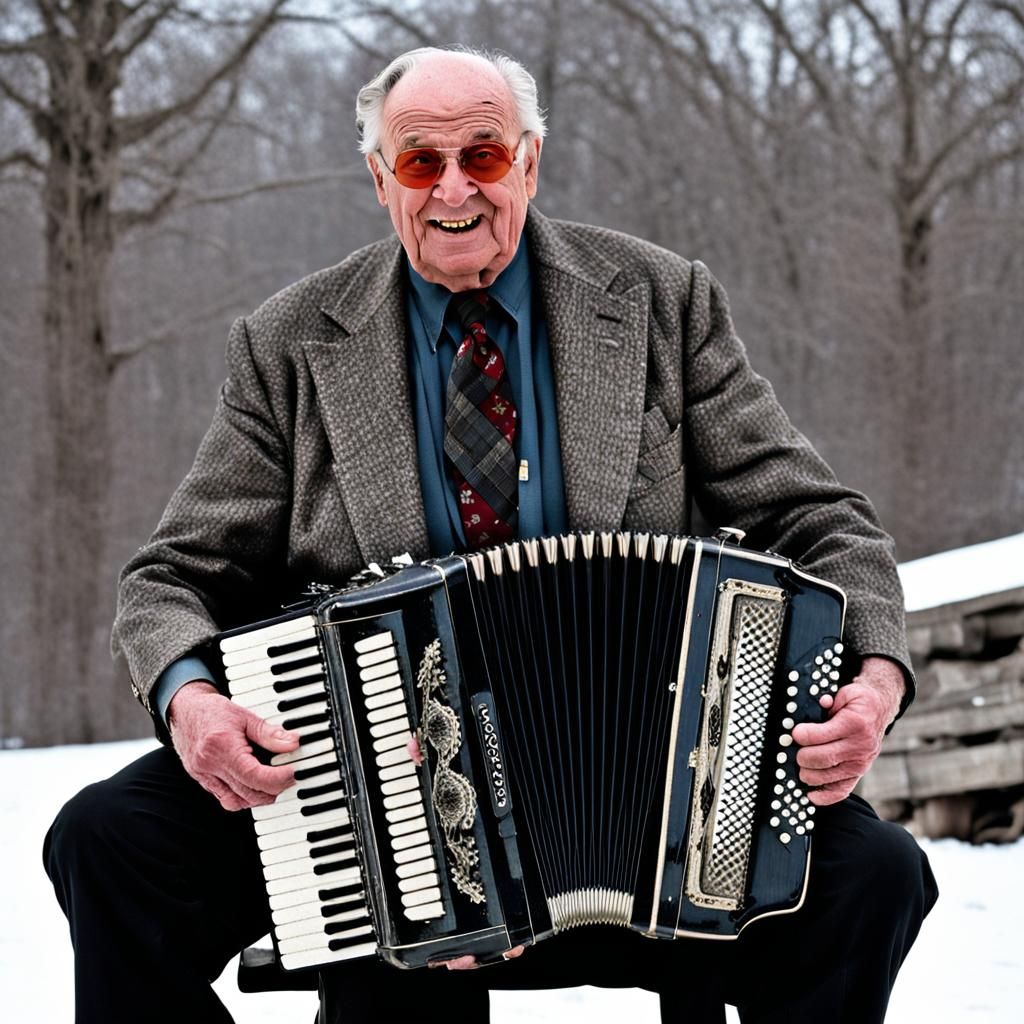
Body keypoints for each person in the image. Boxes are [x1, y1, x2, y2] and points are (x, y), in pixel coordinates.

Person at [44, 45, 936, 1024]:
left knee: (874, 874)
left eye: (484, 154)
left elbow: (818, 518)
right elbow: (169, 577)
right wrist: (194, 703)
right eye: (421, 162)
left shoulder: (659, 299)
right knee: (106, 841)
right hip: (372, 796)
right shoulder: (290, 342)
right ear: (380, 179)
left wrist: (876, 679)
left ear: (530, 162)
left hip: (647, 814)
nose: (455, 187)